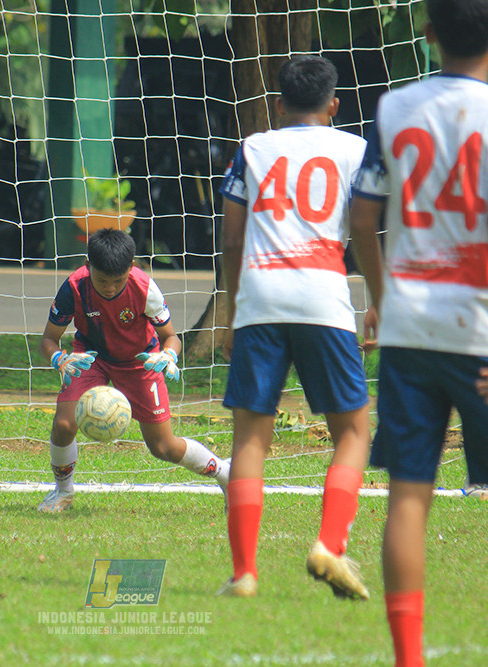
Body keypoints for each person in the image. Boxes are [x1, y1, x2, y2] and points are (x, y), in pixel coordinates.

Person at [349, 1, 488, 665]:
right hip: (482, 329)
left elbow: (361, 218)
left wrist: (384, 303)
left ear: (427, 31)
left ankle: (408, 656)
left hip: (412, 330)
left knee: (409, 495)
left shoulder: (394, 108)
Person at [216, 55, 373, 599]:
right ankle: (330, 543)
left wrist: (235, 310)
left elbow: (233, 239)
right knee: (353, 432)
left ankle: (243, 574)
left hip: (260, 299)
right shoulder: (355, 150)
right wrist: (376, 301)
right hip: (324, 300)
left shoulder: (254, 147)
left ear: (277, 105)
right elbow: (369, 229)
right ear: (333, 106)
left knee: (250, 440)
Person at [37, 228, 230, 513]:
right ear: (88, 266)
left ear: (132, 267)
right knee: (64, 424)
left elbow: (171, 337)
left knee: (163, 447)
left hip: (141, 361)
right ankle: (62, 492)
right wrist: (59, 359)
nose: (111, 288)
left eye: (119, 280)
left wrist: (168, 356)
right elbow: (48, 340)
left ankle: (226, 474)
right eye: (103, 281)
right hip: (92, 357)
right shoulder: (74, 287)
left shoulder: (145, 288)